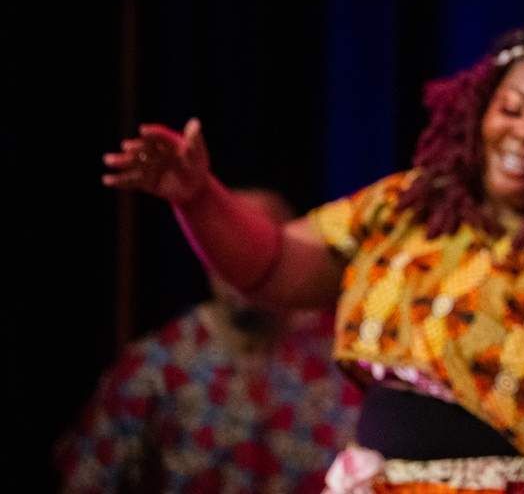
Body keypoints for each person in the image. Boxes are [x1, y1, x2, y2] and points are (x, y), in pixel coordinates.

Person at [102, 23, 524, 494]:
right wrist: (199, 198)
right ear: (479, 110)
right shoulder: (406, 208)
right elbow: (271, 267)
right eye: (512, 109)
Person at [55, 189, 362, 493]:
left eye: (255, 246)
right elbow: (88, 477)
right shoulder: (157, 366)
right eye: (229, 245)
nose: (239, 263)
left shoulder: (343, 360)